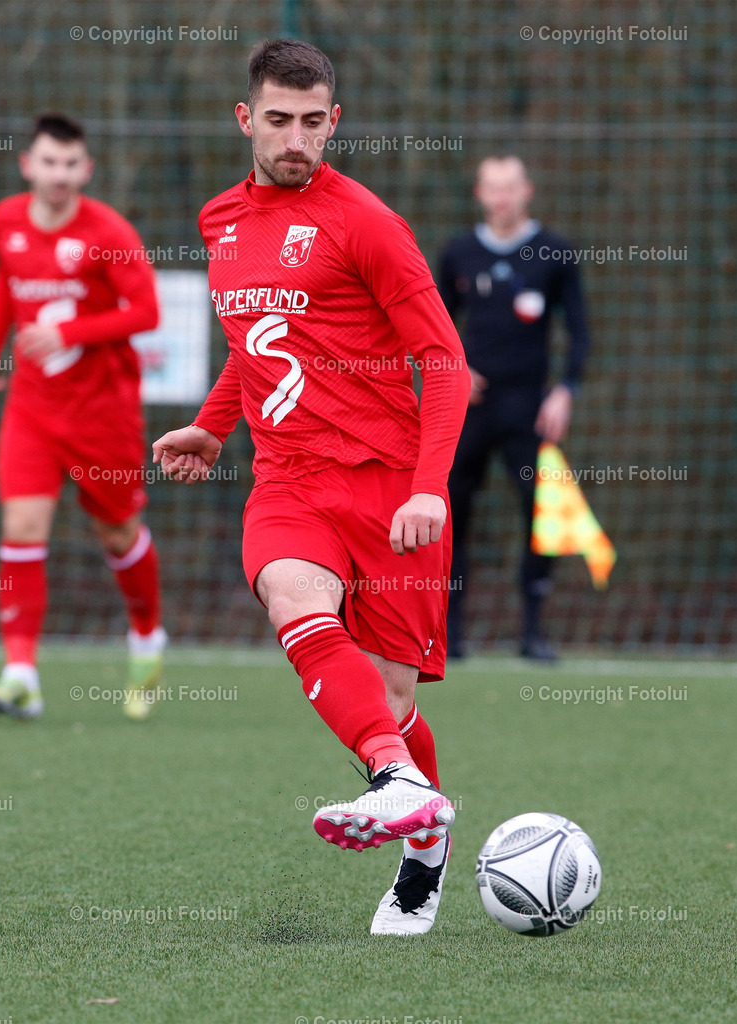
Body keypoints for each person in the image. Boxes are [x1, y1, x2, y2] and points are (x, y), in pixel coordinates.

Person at [152, 40, 471, 936]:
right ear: (245, 119)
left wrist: (428, 489)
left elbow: (442, 360)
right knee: (292, 596)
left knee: (396, 701)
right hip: (287, 480)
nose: (296, 139)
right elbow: (260, 340)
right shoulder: (218, 220)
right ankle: (396, 782)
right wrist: (214, 427)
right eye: (278, 120)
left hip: (388, 488)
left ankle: (422, 843)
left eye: (312, 122)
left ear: (334, 122)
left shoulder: (366, 221)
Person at [0, 112, 165, 720]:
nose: (58, 174)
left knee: (117, 533)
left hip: (101, 410)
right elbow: (8, 281)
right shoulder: (5, 219)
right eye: (47, 162)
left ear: (87, 169)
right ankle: (20, 673)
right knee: (22, 526)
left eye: (70, 163)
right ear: (28, 165)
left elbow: (147, 311)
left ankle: (147, 633)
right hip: (31, 407)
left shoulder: (109, 231)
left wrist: (69, 331)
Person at [437, 155, 591, 662]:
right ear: (480, 193)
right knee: (450, 517)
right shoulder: (458, 252)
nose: (502, 197)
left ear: (527, 191)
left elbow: (580, 331)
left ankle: (532, 632)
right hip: (470, 409)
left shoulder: (555, 252)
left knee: (541, 515)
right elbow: (432, 325)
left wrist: (565, 389)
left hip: (530, 409)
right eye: (492, 188)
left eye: (511, 188)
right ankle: (448, 634)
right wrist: (455, 370)